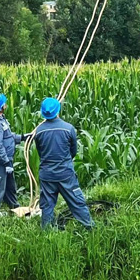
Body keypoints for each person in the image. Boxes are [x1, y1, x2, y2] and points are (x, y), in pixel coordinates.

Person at [34, 97, 94, 230]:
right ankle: (90, 229)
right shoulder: (69, 128)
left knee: (47, 205)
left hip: (47, 174)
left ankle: (47, 233)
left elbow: (40, 152)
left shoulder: (38, 131)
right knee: (77, 202)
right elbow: (73, 151)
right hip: (65, 174)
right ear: (58, 111)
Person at [0, 92, 29, 220]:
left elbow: (8, 137)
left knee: (9, 187)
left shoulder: (0, 120)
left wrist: (23, 137)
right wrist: (6, 162)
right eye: (4, 104)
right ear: (0, 108)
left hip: (5, 160)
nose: (6, 105)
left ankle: (15, 208)